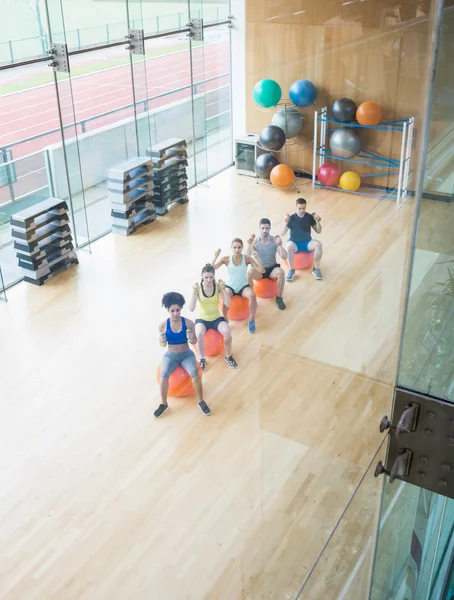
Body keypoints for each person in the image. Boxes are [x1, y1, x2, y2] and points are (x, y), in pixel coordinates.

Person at [154, 291, 211, 418]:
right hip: (171, 356)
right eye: (172, 310)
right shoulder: (163, 325)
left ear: (181, 309)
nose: (175, 313)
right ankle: (163, 404)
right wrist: (161, 341)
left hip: (186, 355)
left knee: (195, 375)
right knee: (163, 376)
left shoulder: (189, 323)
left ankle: (201, 401)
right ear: (168, 310)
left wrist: (192, 338)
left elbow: (195, 341)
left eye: (178, 310)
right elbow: (162, 344)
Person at [188, 264, 238, 370]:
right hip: (202, 319)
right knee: (199, 333)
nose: (209, 280)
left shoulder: (217, 286)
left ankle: (228, 356)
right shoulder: (198, 287)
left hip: (216, 318)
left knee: (227, 331)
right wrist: (194, 292)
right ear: (202, 276)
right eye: (206, 277)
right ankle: (202, 358)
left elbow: (228, 304)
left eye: (211, 277)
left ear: (214, 276)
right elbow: (191, 308)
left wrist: (223, 289)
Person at [211, 238, 265, 334]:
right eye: (234, 247)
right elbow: (211, 269)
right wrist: (216, 256)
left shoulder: (247, 259)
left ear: (242, 248)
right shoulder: (226, 259)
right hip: (230, 287)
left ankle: (251, 320)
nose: (237, 250)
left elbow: (262, 271)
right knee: (224, 296)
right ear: (231, 248)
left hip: (243, 287)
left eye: (239, 247)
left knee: (252, 295)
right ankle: (225, 319)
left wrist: (257, 258)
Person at [245, 218, 287, 310]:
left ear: (270, 228)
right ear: (259, 228)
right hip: (260, 270)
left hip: (272, 269)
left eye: (267, 228)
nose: (265, 230)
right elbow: (246, 257)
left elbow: (284, 256)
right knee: (249, 272)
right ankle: (252, 299)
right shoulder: (255, 242)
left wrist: (279, 245)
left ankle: (279, 298)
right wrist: (249, 245)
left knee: (281, 272)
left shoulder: (274, 241)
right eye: (263, 228)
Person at [281, 197, 323, 282]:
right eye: (299, 208)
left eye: (303, 208)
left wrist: (318, 221)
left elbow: (318, 231)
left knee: (318, 244)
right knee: (289, 246)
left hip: (307, 243)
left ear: (305, 207)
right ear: (296, 207)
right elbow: (282, 233)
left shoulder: (309, 217)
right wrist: (285, 222)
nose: (301, 210)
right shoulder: (292, 218)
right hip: (294, 243)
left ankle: (316, 269)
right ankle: (291, 270)